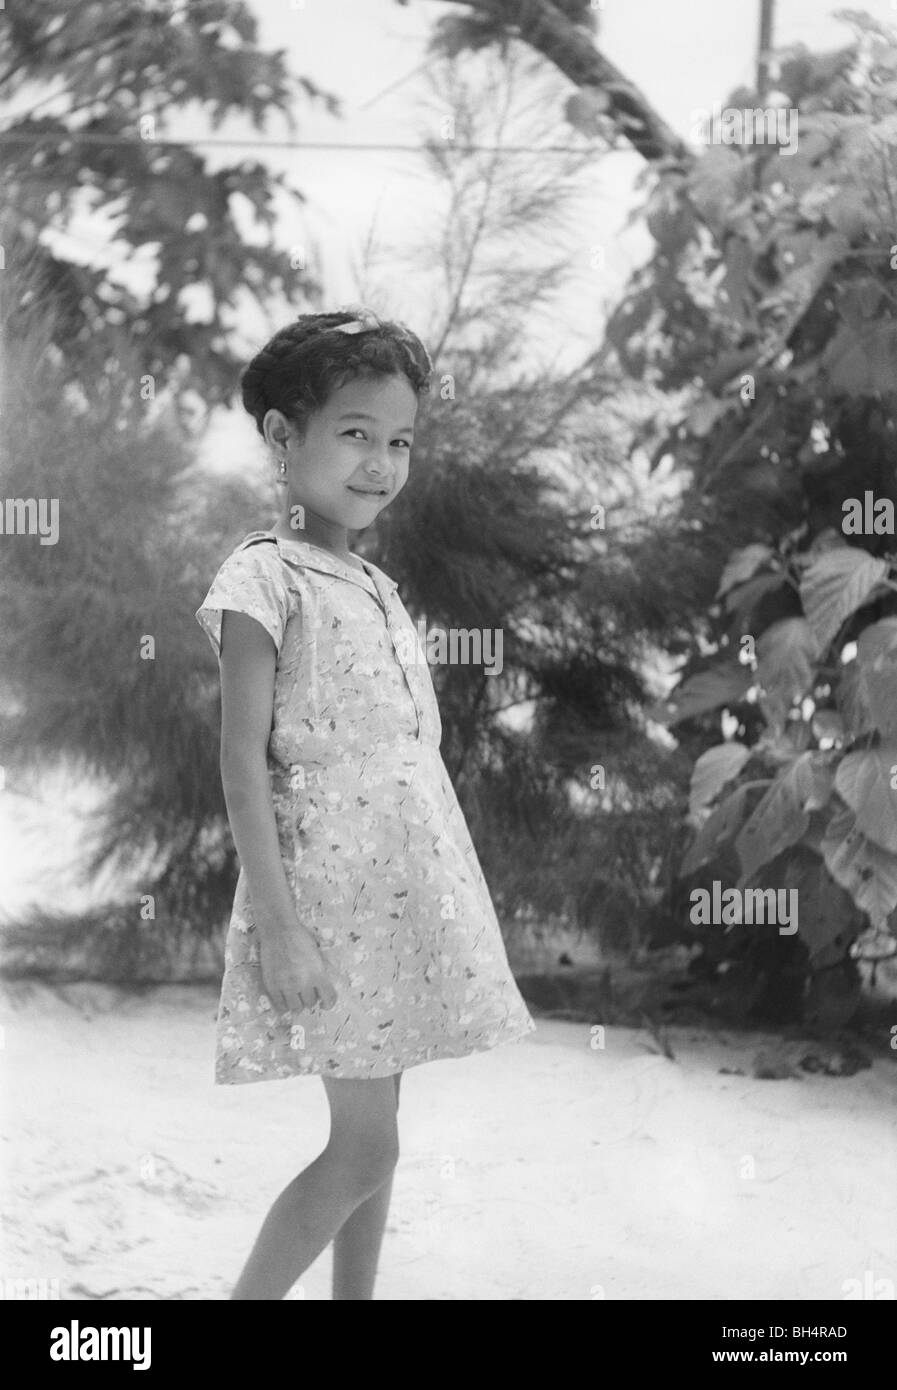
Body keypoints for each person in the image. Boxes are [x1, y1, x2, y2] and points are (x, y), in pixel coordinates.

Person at [195, 304, 537, 1300]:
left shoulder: (374, 581)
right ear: (281, 437)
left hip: (397, 899)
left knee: (377, 1138)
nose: (380, 463)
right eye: (354, 434)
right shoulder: (265, 577)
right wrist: (282, 928)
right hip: (328, 904)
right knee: (363, 1148)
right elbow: (242, 765)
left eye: (399, 442)